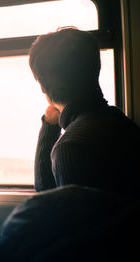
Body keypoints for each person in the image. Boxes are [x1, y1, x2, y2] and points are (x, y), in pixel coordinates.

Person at [30, 27, 140, 194]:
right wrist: (52, 123)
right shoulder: (121, 121)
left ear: (44, 88)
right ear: (95, 70)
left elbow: (48, 196)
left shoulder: (70, 147)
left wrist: (48, 127)